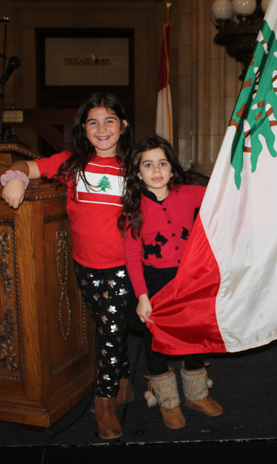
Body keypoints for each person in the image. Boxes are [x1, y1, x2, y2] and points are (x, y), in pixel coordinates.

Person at [1, 93, 136, 440]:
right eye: (93, 121)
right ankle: (123, 381)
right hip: (85, 266)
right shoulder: (71, 163)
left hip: (123, 267)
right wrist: (13, 178)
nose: (101, 128)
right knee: (110, 329)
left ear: (122, 126)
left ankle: (104, 402)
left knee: (107, 332)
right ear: (84, 129)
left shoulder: (135, 165)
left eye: (109, 120)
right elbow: (26, 167)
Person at [118, 135, 222, 430]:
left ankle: (196, 394)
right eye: (148, 165)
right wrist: (141, 295)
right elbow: (132, 254)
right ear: (138, 173)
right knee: (156, 343)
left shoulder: (188, 193)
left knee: (192, 335)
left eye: (162, 163)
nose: (156, 170)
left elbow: (223, 191)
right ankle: (168, 401)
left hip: (187, 279)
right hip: (153, 283)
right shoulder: (134, 207)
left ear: (172, 167)